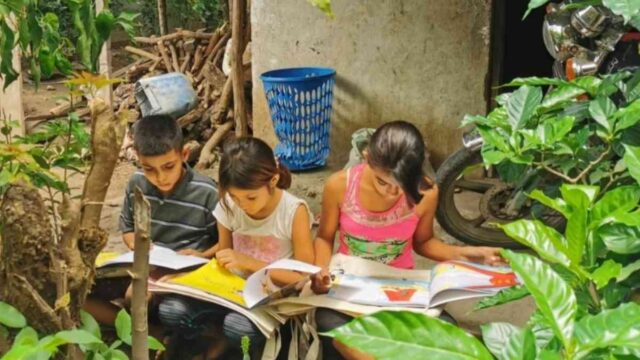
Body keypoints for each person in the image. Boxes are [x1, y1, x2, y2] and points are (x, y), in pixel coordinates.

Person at [311, 120, 504, 359]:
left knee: (448, 337)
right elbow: (324, 237)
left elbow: (423, 243)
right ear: (367, 157)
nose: (391, 192)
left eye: (401, 185)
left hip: (400, 289)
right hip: (351, 287)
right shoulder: (340, 185)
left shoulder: (426, 192)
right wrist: (320, 271)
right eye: (382, 181)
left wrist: (470, 253)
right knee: (336, 330)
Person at [158, 137, 315, 359]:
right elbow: (223, 258)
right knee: (171, 309)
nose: (242, 204)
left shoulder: (293, 212)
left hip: (269, 302)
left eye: (250, 197)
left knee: (237, 327)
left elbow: (303, 278)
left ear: (273, 180)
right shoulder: (229, 206)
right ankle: (215, 341)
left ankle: (245, 349)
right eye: (234, 196)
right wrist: (189, 276)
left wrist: (249, 263)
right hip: (228, 293)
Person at [85, 114, 219, 327]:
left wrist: (202, 255)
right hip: (143, 266)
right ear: (137, 158)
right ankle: (150, 336)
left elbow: (225, 244)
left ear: (184, 154)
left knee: (145, 300)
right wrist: (138, 245)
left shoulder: (207, 192)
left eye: (168, 167)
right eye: (149, 169)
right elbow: (128, 228)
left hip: (184, 275)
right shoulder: (136, 183)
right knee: (80, 290)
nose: (160, 177)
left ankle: (147, 332)